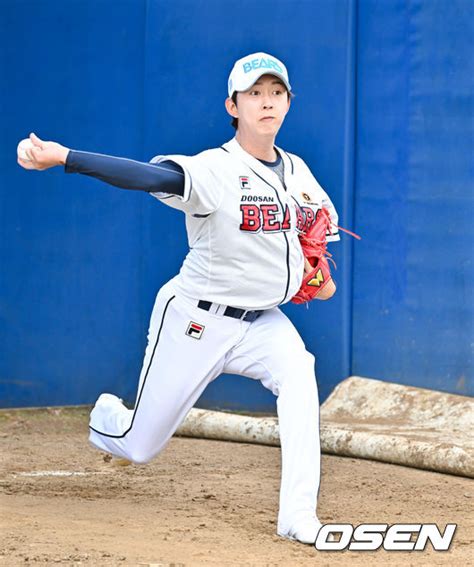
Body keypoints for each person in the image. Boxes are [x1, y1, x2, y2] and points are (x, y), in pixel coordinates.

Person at [17, 52, 340, 546]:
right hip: (197, 319)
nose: (266, 102)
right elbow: (150, 177)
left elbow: (320, 271)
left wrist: (312, 275)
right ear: (233, 106)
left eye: (276, 93)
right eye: (254, 94)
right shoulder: (215, 168)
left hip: (262, 323)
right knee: (139, 447)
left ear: (289, 102)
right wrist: (66, 157)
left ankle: (298, 515)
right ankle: (109, 418)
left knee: (300, 373)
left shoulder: (299, 174)